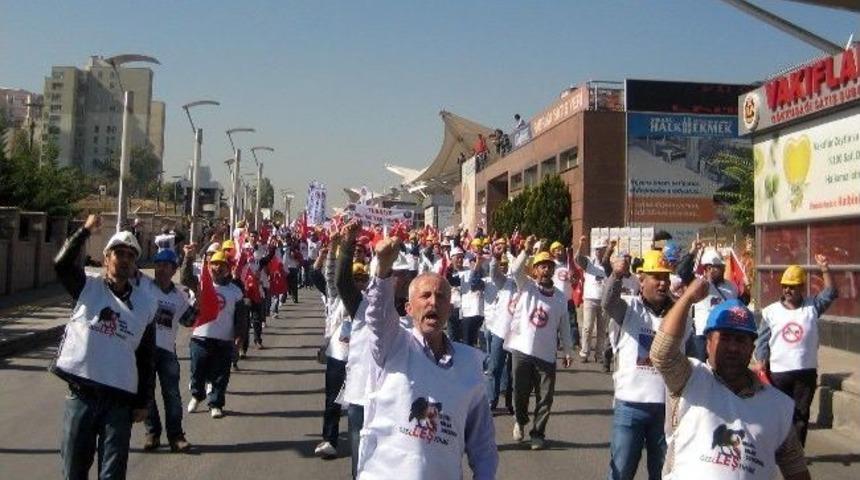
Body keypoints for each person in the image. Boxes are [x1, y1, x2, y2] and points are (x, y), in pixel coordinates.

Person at [356, 236, 497, 479]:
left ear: (449, 309)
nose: (433, 302)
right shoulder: (393, 344)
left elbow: (482, 443)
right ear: (409, 309)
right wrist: (382, 271)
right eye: (425, 296)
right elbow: (377, 316)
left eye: (441, 297)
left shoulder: (469, 364)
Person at [652, 281, 811, 480]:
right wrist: (687, 298)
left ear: (751, 348)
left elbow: (795, 466)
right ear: (708, 343)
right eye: (725, 338)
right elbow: (661, 353)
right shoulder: (689, 379)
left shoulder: (778, 406)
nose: (733, 347)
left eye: (741, 340)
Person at [52, 214, 158, 479]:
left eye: (130, 256)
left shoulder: (145, 306)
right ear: (106, 257)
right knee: (73, 471)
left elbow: (146, 358)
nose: (124, 259)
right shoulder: (87, 287)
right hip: (82, 396)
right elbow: (62, 263)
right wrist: (85, 230)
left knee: (112, 474)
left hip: (119, 402)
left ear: (135, 265)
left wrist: (143, 402)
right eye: (118, 253)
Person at [602, 250, 683, 480]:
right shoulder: (629, 308)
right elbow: (608, 302)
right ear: (641, 279)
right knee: (621, 472)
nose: (662, 283)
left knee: (663, 474)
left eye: (666, 278)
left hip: (666, 410)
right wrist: (616, 276)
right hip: (630, 406)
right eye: (656, 277)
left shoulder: (678, 315)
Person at [756, 255, 837, 446]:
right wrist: (761, 361)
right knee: (780, 414)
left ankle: (797, 452)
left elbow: (830, 292)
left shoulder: (812, 307)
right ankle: (777, 448)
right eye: (785, 286)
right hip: (778, 374)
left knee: (800, 417)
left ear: (802, 287)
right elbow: (762, 341)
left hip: (805, 373)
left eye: (792, 286)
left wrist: (825, 269)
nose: (788, 290)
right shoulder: (771, 312)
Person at [505, 236, 573, 450]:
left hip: (546, 354)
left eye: (548, 266)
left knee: (545, 397)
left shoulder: (560, 297)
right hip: (522, 349)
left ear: (553, 271)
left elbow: (565, 327)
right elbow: (515, 270)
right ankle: (520, 420)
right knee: (520, 393)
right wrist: (525, 250)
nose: (545, 270)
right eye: (541, 266)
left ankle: (538, 433)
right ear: (534, 271)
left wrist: (568, 351)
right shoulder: (526, 286)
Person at [180, 246, 246, 419]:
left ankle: (216, 404)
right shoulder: (201, 284)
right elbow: (185, 277)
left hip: (224, 340)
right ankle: (197, 395)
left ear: (227, 269)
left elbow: (241, 318)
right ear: (209, 266)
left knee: (220, 375)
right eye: (214, 264)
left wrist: (239, 337)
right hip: (200, 337)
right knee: (197, 371)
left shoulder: (235, 291)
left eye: (221, 265)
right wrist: (188, 256)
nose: (217, 268)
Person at [143, 249, 194, 453]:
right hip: (144, 351)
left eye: (166, 265)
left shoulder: (179, 296)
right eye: (158, 265)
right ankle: (152, 433)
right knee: (146, 394)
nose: (161, 269)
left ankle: (176, 435)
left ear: (174, 270)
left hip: (166, 351)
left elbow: (188, 320)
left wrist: (198, 302)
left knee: (172, 395)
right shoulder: (144, 286)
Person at [689, 248, 738, 363]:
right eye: (719, 267)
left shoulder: (731, 287)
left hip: (723, 334)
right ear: (709, 268)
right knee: (699, 368)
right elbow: (683, 272)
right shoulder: (699, 284)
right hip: (702, 335)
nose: (723, 269)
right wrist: (692, 252)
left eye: (723, 267)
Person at [575, 235, 611, 363]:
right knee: (587, 328)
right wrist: (581, 244)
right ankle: (584, 353)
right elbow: (577, 258)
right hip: (590, 299)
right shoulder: (589, 262)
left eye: (601, 249)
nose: (598, 251)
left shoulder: (609, 265)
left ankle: (599, 355)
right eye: (596, 249)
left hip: (604, 300)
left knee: (602, 330)